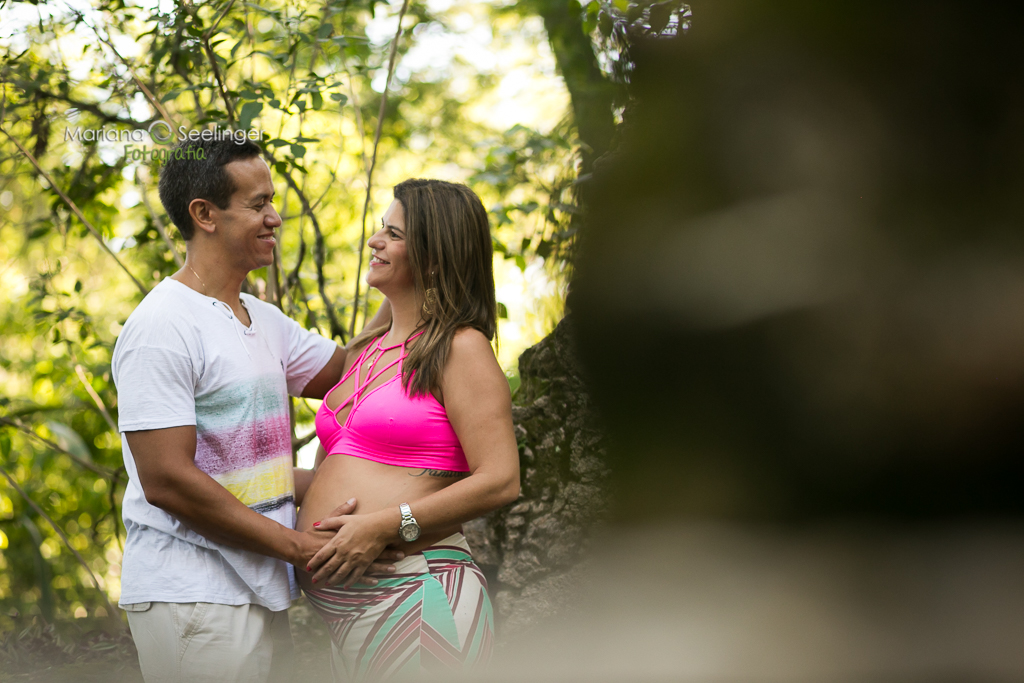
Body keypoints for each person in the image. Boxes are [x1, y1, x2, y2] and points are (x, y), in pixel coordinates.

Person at [111, 137, 398, 683]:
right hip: (194, 597)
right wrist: (298, 546)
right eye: (257, 203)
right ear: (205, 215)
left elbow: (349, 372)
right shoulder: (162, 328)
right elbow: (167, 480)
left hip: (257, 590)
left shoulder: (259, 318)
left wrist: (404, 277)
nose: (275, 216)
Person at [296, 179, 521, 680]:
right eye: (381, 228)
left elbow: (501, 479)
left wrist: (382, 526)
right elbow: (353, 471)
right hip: (353, 616)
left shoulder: (460, 348)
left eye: (393, 234)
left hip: (420, 597)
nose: (375, 241)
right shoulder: (369, 350)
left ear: (434, 257)